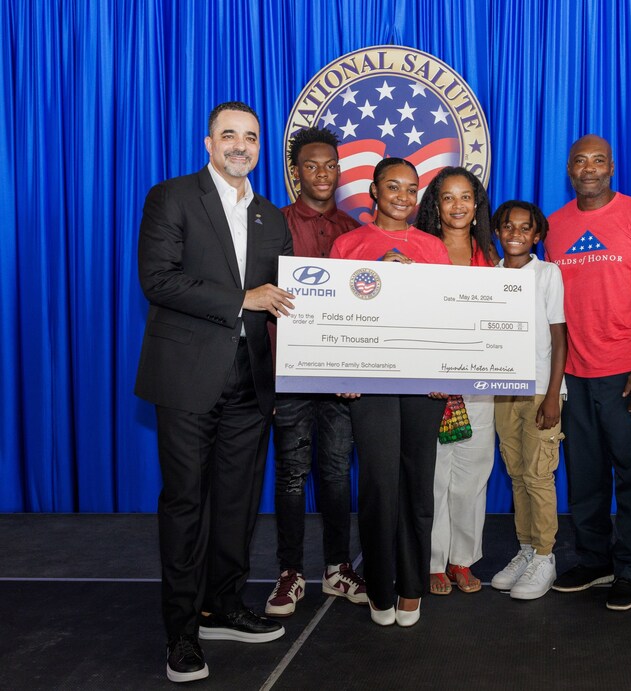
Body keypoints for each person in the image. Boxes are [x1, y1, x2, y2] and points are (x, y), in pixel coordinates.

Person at [135, 101, 293, 682]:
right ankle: (181, 633)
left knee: (237, 503)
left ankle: (222, 606)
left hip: (251, 384)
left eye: (250, 137)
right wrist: (240, 300)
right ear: (208, 143)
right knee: (185, 505)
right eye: (229, 135)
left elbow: (288, 299)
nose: (240, 146)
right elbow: (158, 279)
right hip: (186, 379)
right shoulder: (172, 197)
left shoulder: (270, 217)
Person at [545, 134, 631, 611]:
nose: (590, 168)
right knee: (586, 476)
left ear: (612, 167)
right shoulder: (555, 226)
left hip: (628, 372)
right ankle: (594, 558)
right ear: (569, 169)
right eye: (580, 161)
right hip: (575, 373)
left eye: (599, 160)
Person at [329, 157, 451, 627]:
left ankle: (411, 587)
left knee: (418, 486)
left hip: (423, 385)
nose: (403, 196)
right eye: (393, 187)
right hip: (370, 383)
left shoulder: (433, 247)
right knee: (379, 485)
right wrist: (344, 375)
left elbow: (445, 318)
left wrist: (446, 373)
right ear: (374, 192)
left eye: (411, 188)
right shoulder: (349, 244)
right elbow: (334, 318)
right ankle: (380, 587)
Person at [265, 127, 366, 618]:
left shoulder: (355, 231)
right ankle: (289, 572)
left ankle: (336, 567)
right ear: (295, 172)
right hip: (291, 375)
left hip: (343, 380)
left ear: (339, 170)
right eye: (311, 165)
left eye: (330, 165)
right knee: (290, 473)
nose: (322, 174)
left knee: (334, 473)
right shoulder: (273, 225)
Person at [414, 167, 498, 596]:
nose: (458, 205)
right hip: (430, 383)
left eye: (466, 197)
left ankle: (461, 559)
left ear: (477, 204)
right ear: (435, 204)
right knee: (434, 474)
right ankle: (431, 561)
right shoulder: (420, 249)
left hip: (480, 384)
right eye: (448, 197)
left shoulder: (490, 252)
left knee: (473, 472)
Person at [490, 201, 567, 600]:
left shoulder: (547, 273)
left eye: (525, 227)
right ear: (496, 232)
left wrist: (553, 394)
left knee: (539, 475)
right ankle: (525, 548)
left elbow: (559, 336)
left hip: (541, 389)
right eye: (507, 226)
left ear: (537, 235)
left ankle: (545, 555)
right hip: (504, 389)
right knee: (517, 472)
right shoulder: (489, 277)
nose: (515, 233)